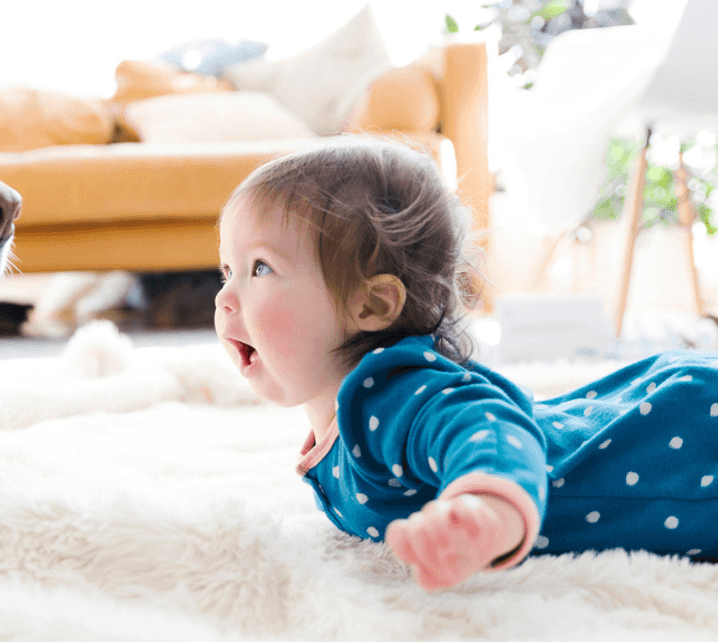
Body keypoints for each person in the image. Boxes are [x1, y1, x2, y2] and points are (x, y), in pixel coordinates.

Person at [214, 136, 718, 591]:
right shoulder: (356, 418)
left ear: (370, 306)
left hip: (692, 439)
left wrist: (482, 511)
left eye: (260, 268)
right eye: (227, 270)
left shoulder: (393, 394)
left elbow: (492, 431)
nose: (224, 298)